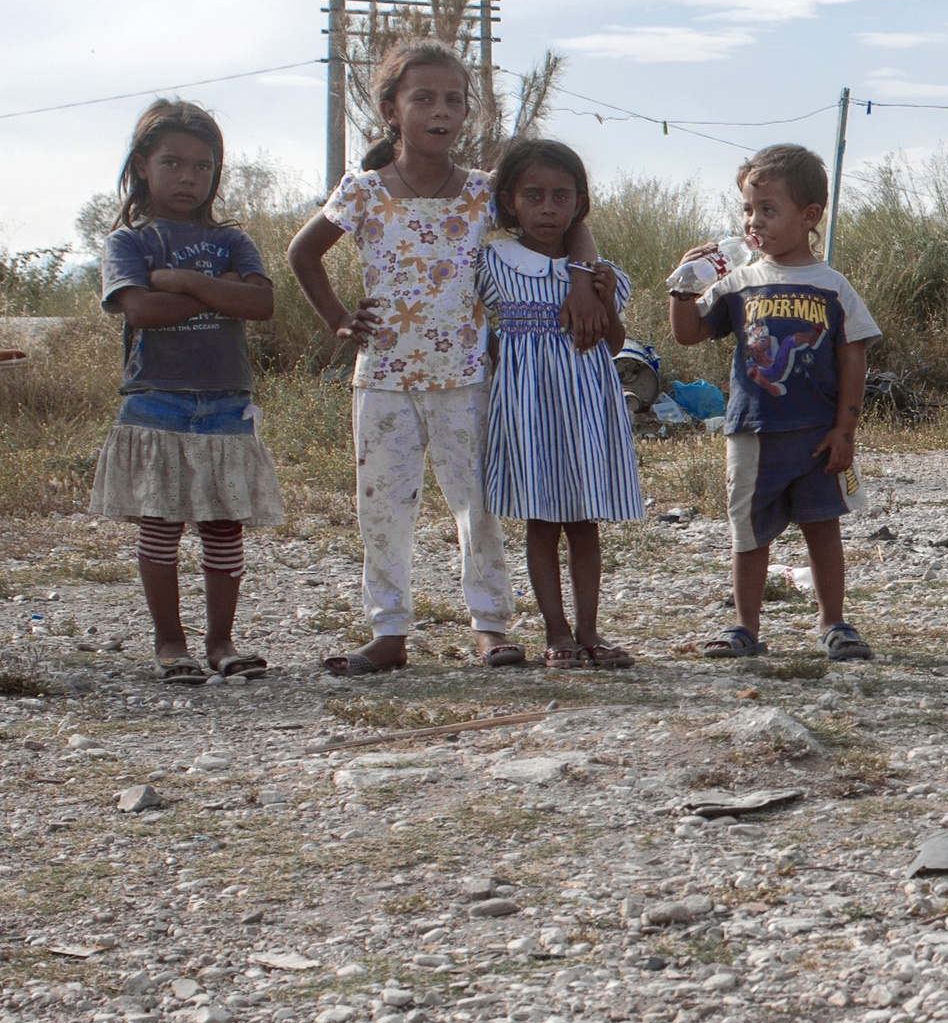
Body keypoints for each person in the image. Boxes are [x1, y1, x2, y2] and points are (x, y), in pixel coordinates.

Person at [285, 39, 610, 676]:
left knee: (478, 507)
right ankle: (389, 632)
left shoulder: (486, 192)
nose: (441, 111)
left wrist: (579, 277)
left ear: (469, 112)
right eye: (423, 98)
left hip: (467, 376)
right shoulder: (363, 191)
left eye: (454, 100)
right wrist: (337, 319)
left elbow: (571, 220)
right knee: (381, 507)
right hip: (383, 377)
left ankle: (491, 626)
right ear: (389, 109)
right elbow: (304, 252)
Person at [88, 99, 284, 684]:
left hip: (226, 401)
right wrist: (217, 290)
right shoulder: (128, 243)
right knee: (162, 524)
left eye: (203, 166)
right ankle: (171, 644)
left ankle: (221, 642)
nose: (188, 177)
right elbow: (142, 310)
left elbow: (262, 304)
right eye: (173, 162)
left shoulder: (233, 241)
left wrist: (185, 281)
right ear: (143, 165)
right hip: (157, 400)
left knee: (224, 527)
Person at [667, 143, 879, 661]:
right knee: (749, 530)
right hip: (752, 432)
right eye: (746, 209)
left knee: (821, 527)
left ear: (810, 217)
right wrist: (681, 286)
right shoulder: (737, 283)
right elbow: (688, 334)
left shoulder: (833, 287)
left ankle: (834, 623)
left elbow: (854, 358)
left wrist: (845, 431)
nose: (753, 221)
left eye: (768, 209)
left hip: (814, 433)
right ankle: (745, 627)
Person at [475, 138, 644, 668]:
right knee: (541, 522)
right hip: (528, 405)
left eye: (561, 196)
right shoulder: (492, 261)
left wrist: (599, 292)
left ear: (579, 202)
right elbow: (479, 332)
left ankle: (591, 629)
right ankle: (557, 631)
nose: (548, 207)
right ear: (509, 201)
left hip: (588, 405)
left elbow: (614, 343)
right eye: (534, 195)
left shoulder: (597, 271)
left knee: (585, 521)